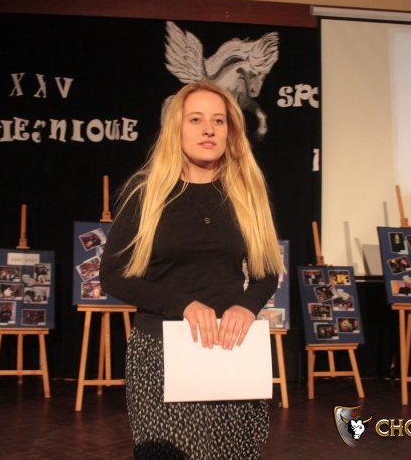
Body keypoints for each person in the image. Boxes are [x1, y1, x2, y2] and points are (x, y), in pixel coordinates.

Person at [100, 80, 284, 459]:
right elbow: (113, 275)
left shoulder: (246, 192)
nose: (208, 129)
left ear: (231, 131)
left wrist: (246, 306)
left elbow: (266, 271)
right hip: (161, 354)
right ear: (176, 128)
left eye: (219, 120)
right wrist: (182, 304)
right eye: (196, 119)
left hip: (229, 351)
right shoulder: (146, 193)